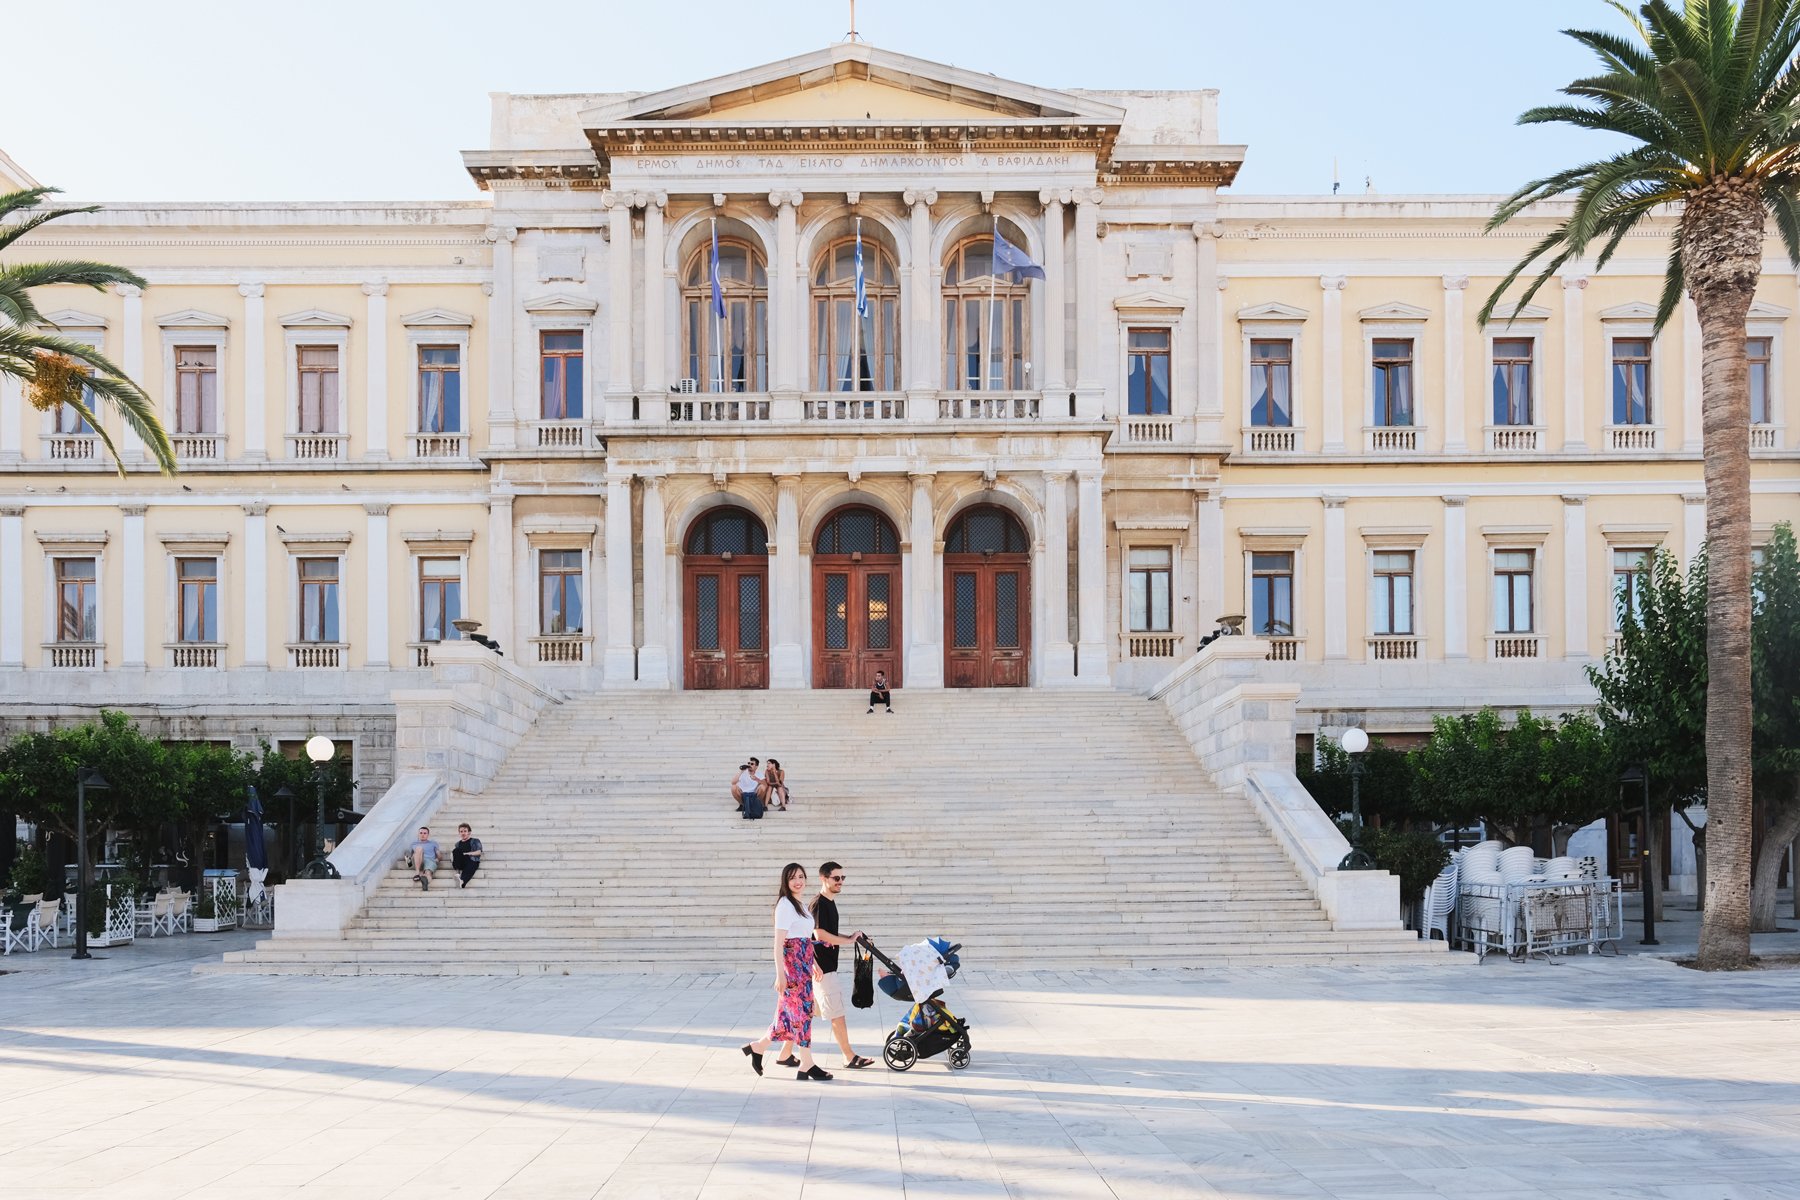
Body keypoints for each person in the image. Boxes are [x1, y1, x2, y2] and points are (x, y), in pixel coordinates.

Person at [741, 863, 857, 1082]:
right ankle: (807, 1063)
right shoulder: (785, 905)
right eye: (793, 878)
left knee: (788, 1017)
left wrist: (813, 962)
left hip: (804, 966)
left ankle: (758, 1047)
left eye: (801, 877)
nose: (798, 881)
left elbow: (805, 940)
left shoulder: (800, 905)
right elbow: (778, 944)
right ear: (785, 881)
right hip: (792, 970)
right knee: (802, 1015)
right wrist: (780, 975)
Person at [776, 861, 874, 1070]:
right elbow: (818, 934)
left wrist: (851, 937)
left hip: (818, 968)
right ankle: (849, 1056)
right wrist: (846, 942)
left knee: (804, 1013)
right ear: (824, 879)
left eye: (842, 878)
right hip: (822, 969)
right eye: (836, 878)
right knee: (836, 1013)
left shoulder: (829, 903)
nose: (840, 882)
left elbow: (821, 934)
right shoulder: (818, 903)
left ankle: (785, 1054)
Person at [406, 826, 438, 891]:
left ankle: (426, 881)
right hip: (418, 861)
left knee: (428, 873)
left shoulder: (433, 843)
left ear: (428, 835)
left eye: (424, 833)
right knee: (419, 848)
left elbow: (439, 854)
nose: (422, 835)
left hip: (429, 860)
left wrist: (438, 859)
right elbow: (411, 854)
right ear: (418, 834)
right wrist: (409, 859)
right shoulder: (414, 844)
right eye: (421, 833)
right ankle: (417, 872)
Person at [451, 823, 482, 888]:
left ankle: (462, 882)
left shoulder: (475, 841)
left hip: (472, 860)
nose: (463, 833)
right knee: (456, 850)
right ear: (459, 833)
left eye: (465, 831)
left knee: (472, 864)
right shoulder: (457, 844)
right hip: (461, 862)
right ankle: (458, 873)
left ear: (469, 832)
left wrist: (467, 854)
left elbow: (479, 852)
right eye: (461, 831)